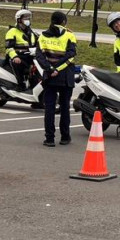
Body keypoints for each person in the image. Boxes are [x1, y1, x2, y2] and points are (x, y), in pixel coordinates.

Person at [38, 10, 77, 147]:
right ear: (64, 22)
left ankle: (49, 139)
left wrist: (50, 69)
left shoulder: (42, 36)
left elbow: (39, 56)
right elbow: (71, 55)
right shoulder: (69, 35)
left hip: (50, 77)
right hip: (65, 77)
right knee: (65, 107)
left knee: (49, 108)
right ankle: (65, 137)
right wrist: (58, 69)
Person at [4, 8, 39, 89]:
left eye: (29, 18)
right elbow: (9, 48)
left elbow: (40, 41)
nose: (28, 20)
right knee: (17, 63)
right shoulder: (12, 31)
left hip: (29, 56)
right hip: (18, 56)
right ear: (19, 20)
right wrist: (15, 57)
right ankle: (20, 83)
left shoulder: (31, 32)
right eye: (25, 18)